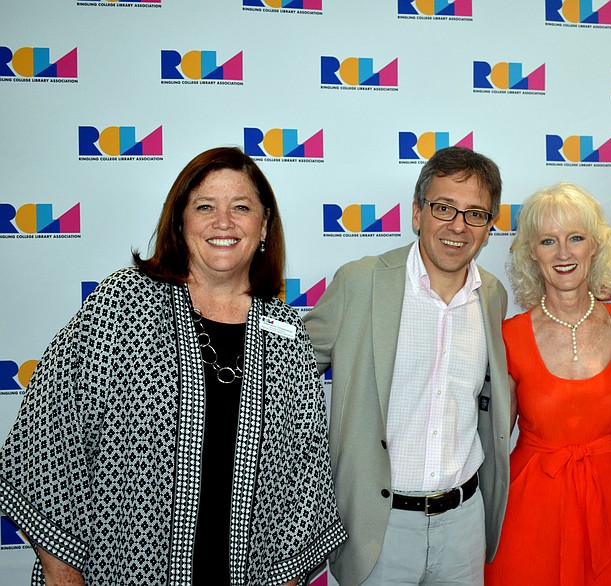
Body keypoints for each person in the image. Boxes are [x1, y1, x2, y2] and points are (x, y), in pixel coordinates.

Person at [0, 147, 346, 586]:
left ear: (264, 227)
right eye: (205, 207)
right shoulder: (124, 305)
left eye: (241, 207)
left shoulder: (288, 335)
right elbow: (46, 445)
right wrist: (62, 577)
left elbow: (302, 483)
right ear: (181, 223)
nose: (224, 222)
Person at [303, 146, 511, 586]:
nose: (458, 226)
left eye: (475, 213)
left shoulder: (492, 295)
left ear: (490, 227)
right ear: (417, 213)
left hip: (464, 523)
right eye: (443, 208)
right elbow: (288, 372)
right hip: (378, 526)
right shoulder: (361, 282)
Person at [484, 183, 611, 585]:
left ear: (595, 246)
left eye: (575, 238)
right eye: (547, 241)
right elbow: (490, 440)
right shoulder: (508, 335)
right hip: (530, 510)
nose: (563, 253)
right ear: (530, 253)